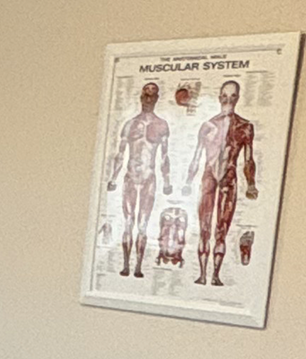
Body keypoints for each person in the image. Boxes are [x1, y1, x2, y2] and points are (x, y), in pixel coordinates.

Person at [183, 78, 257, 287]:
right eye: (225, 96)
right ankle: (202, 274)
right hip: (209, 176)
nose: (228, 100)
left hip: (229, 177)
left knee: (221, 229)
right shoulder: (208, 126)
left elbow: (248, 159)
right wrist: (188, 181)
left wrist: (251, 184)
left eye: (232, 97)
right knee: (204, 227)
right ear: (219, 98)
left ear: (237, 98)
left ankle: (215, 275)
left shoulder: (245, 127)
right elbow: (197, 157)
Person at [105, 80, 172, 277]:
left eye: (152, 94)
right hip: (130, 177)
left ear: (157, 98)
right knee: (128, 222)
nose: (148, 98)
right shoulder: (130, 124)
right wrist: (113, 178)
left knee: (142, 224)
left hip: (149, 177)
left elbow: (164, 156)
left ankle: (138, 267)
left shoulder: (161, 125)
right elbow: (120, 154)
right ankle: (125, 265)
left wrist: (167, 182)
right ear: (141, 97)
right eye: (145, 94)